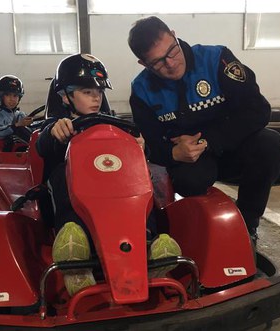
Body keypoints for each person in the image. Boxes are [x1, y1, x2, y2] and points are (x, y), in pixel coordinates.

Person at [127, 16, 280, 244]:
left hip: (234, 150)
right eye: (158, 63)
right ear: (144, 64)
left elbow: (258, 110)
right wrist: (172, 153)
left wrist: (209, 140)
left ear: (174, 34)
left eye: (172, 51)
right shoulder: (142, 89)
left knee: (270, 144)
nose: (171, 64)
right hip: (191, 164)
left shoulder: (216, 59)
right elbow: (146, 143)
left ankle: (247, 226)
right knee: (189, 181)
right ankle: (195, 233)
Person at [36, 53, 181, 297]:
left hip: (114, 190)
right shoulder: (59, 126)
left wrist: (138, 145)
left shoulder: (115, 126)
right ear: (65, 96)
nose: (95, 98)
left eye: (99, 92)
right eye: (86, 91)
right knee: (62, 173)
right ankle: (75, 247)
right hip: (78, 200)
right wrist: (53, 132)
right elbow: (42, 145)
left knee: (143, 177)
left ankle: (146, 241)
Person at [0, 75, 33, 149]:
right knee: (19, 131)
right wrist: (16, 126)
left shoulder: (20, 114)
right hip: (5, 148)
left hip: (21, 148)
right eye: (8, 95)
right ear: (1, 96)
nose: (12, 99)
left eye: (15, 96)